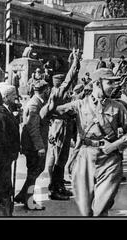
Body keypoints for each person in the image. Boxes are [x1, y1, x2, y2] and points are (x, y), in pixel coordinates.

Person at [45, 68, 127, 216]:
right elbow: (50, 113)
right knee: (86, 210)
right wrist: (50, 104)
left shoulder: (118, 107)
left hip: (109, 159)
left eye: (114, 83)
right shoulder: (79, 105)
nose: (114, 86)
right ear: (97, 83)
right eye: (110, 83)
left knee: (100, 209)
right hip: (85, 157)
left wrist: (114, 145)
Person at [46, 52, 80, 201]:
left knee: (62, 158)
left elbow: (71, 80)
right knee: (59, 159)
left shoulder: (57, 92)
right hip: (60, 127)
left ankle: (59, 186)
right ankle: (54, 189)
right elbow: (70, 79)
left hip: (63, 125)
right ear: (60, 83)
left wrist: (74, 61)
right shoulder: (58, 92)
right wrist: (75, 62)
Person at [14, 80, 51, 210]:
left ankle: (22, 195)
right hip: (33, 146)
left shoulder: (37, 102)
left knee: (35, 171)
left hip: (33, 145)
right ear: (45, 90)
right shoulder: (35, 105)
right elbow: (32, 128)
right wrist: (40, 147)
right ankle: (29, 201)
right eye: (48, 90)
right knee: (33, 173)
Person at [0, 88, 20, 216]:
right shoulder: (3, 118)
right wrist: (14, 155)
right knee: (4, 189)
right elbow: (14, 139)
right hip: (2, 161)